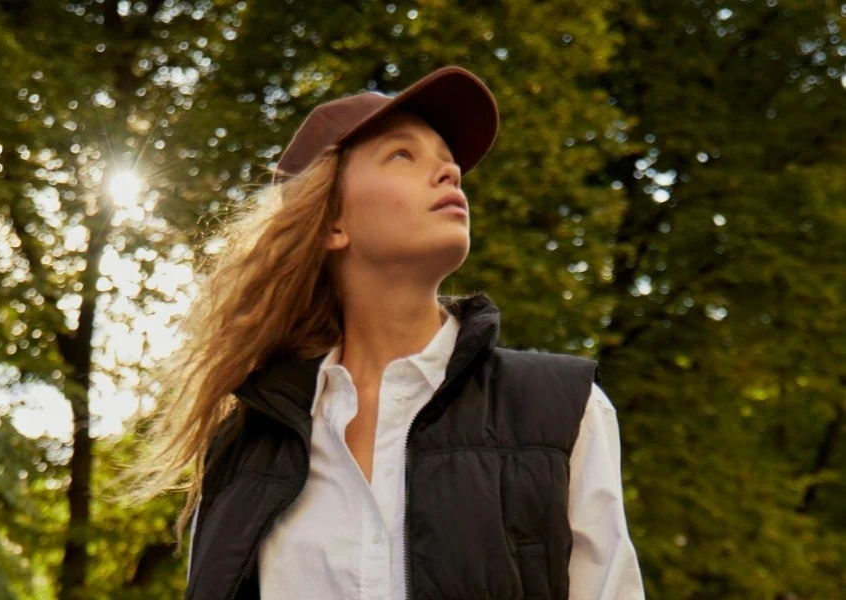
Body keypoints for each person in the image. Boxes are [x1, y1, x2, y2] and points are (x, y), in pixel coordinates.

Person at [120, 66, 644, 600]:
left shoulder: (562, 409)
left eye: (447, 159)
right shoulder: (242, 449)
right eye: (402, 154)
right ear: (332, 224)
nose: (449, 172)